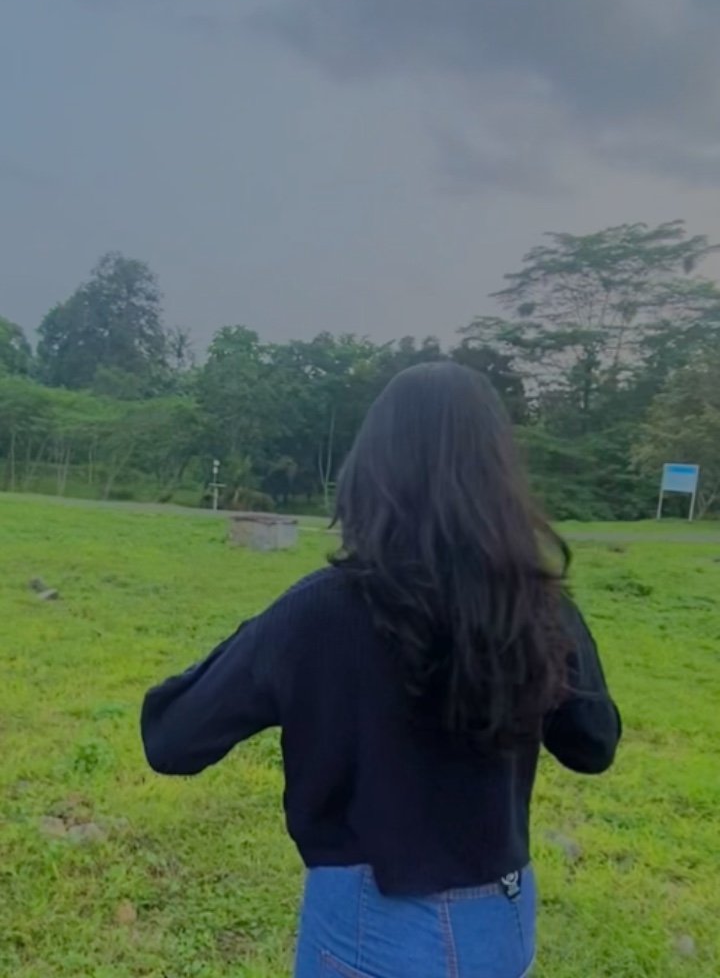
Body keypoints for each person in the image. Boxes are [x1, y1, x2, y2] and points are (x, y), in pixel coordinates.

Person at [141, 362, 621, 978]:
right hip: (501, 925)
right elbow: (593, 743)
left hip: (370, 927)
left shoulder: (320, 610)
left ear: (371, 467)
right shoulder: (536, 607)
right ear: (500, 474)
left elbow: (172, 737)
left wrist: (266, 638)